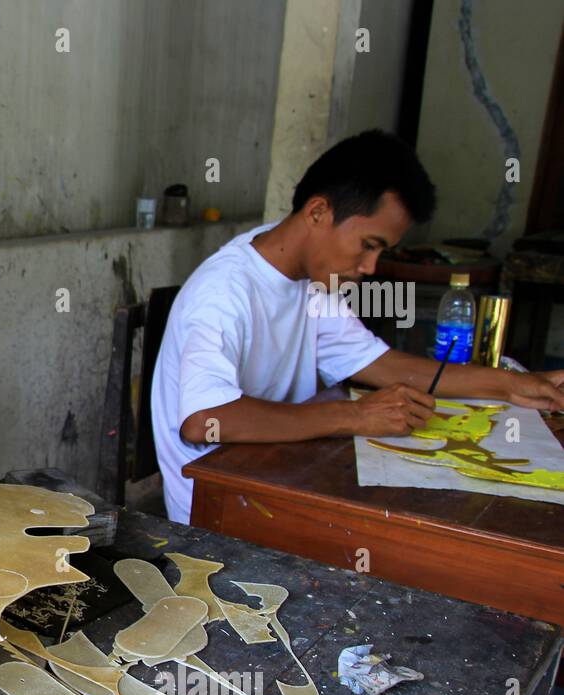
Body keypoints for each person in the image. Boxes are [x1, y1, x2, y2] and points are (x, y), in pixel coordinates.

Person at [151, 129, 564, 525]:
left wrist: (509, 385)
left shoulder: (308, 279)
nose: (369, 268)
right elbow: (205, 419)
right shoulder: (224, 292)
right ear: (318, 212)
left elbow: (381, 365)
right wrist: (354, 415)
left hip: (275, 477)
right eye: (368, 245)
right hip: (214, 512)